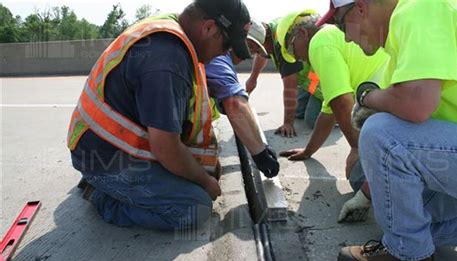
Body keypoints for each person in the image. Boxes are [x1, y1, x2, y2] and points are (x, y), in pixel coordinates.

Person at [319, 0, 457, 261]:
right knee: (408, 215)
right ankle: (414, 242)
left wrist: (367, 98)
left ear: (361, 8)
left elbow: (415, 105)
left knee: (380, 131)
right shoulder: (398, 52)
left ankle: (408, 254)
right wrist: (366, 196)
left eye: (342, 24)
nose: (345, 37)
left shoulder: (419, 7)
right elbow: (410, 148)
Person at [67, 0, 252, 231]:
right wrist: (205, 182)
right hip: (107, 159)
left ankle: (111, 185)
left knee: (201, 172)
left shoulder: (171, 30)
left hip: (105, 146)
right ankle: (102, 197)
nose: (224, 54)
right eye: (226, 46)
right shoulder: (167, 59)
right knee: (195, 207)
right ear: (209, 28)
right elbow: (166, 147)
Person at [276, 10, 388, 222]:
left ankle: (408, 200)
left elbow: (342, 102)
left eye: (293, 50)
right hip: (388, 103)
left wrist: (357, 149)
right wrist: (308, 150)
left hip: (385, 108)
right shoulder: (332, 37)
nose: (298, 59)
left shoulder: (319, 43)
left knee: (356, 172)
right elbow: (330, 110)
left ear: (302, 33)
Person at [205, 21, 280, 178]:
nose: (250, 55)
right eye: (250, 47)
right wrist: (260, 154)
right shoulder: (219, 58)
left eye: (254, 51)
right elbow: (235, 103)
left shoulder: (216, 52)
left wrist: (261, 144)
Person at [245, 11, 324, 137]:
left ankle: (346, 108)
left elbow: (290, 87)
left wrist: (288, 123)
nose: (255, 53)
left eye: (256, 49)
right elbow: (263, 54)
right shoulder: (271, 29)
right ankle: (312, 98)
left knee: (313, 120)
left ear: (266, 39)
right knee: (297, 112)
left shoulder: (283, 44)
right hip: (309, 82)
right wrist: (253, 79)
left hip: (322, 82)